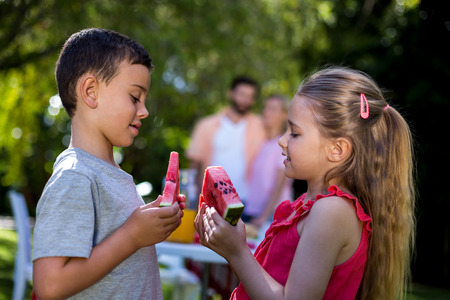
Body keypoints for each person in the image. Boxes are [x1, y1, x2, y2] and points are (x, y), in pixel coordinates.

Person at [195, 66, 415, 300]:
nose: (281, 141)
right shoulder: (310, 206)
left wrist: (237, 252)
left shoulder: (332, 211)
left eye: (295, 133)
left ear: (337, 149)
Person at [32, 28, 185, 299]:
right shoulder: (76, 176)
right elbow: (49, 285)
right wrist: (132, 236)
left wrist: (150, 223)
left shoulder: (110, 175)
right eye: (135, 97)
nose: (144, 110)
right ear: (91, 92)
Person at [186, 76, 266, 205]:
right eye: (242, 94)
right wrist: (194, 200)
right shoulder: (205, 125)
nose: (246, 100)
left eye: (250, 96)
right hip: (211, 199)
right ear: (231, 94)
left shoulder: (261, 126)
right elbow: (194, 166)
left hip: (245, 200)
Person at [243, 95, 293, 228]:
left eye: (273, 109)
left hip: (272, 216)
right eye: (265, 108)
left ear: (284, 115)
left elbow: (280, 184)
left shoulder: (284, 143)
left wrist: (263, 217)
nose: (266, 112)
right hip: (252, 212)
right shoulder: (262, 143)